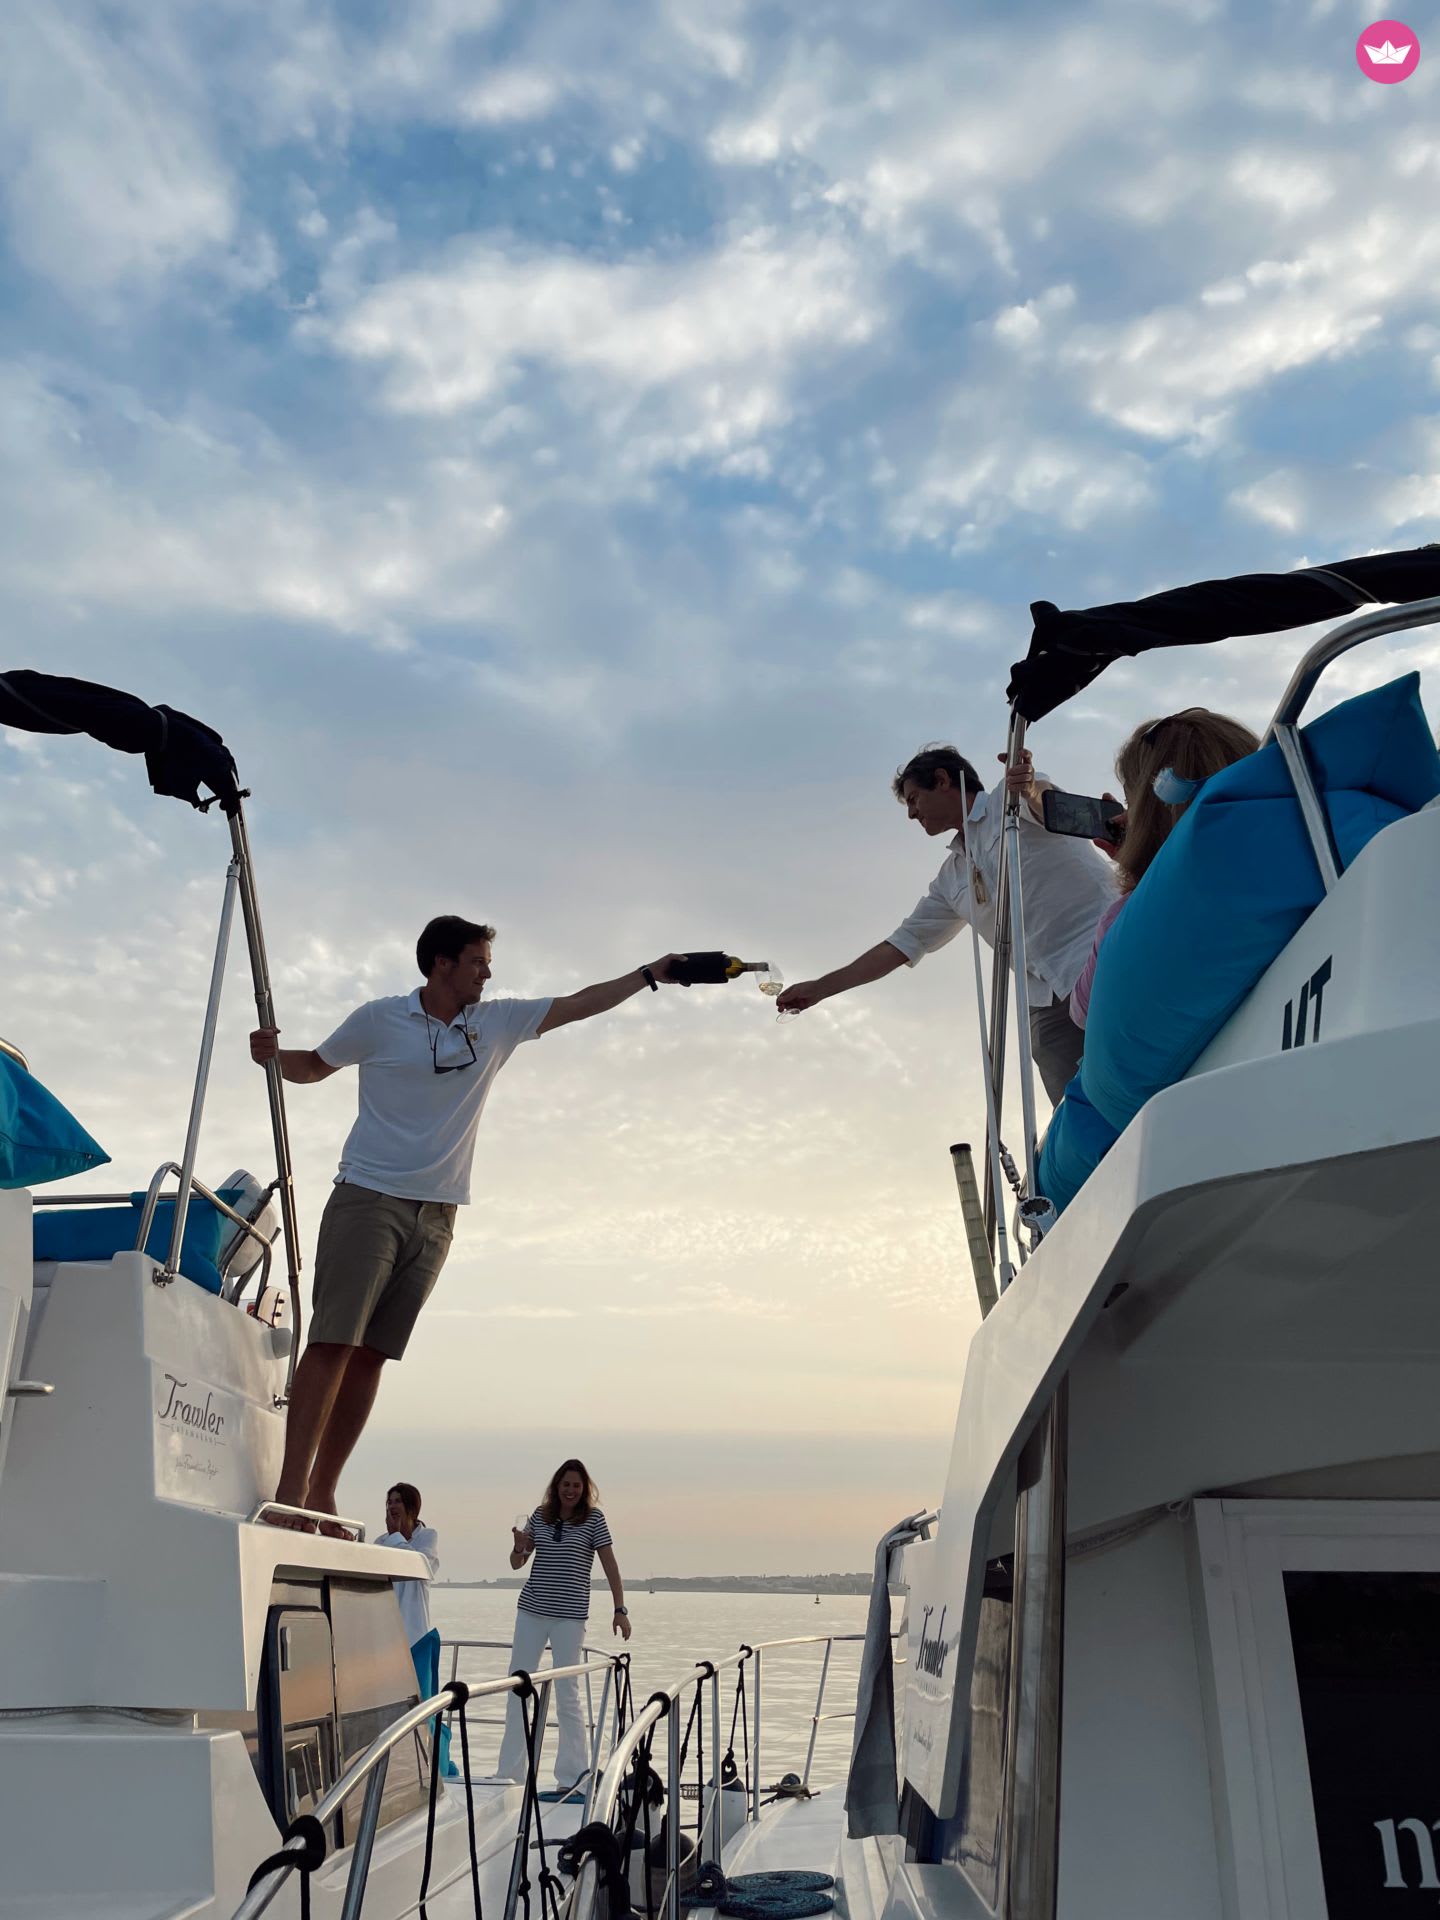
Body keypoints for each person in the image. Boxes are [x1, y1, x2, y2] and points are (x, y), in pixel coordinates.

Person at [250, 917, 687, 1533]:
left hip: (438, 1215)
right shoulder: (380, 1019)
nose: (488, 971)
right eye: (478, 961)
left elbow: (578, 1005)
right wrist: (273, 1056)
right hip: (368, 1198)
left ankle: (324, 1489)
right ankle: (291, 1491)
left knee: (373, 1355)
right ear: (441, 964)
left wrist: (649, 975)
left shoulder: (496, 1023)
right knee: (333, 1343)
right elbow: (316, 1066)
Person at [776, 744, 1117, 1102]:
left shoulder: (1009, 800)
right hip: (1044, 1003)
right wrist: (820, 988)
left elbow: (1044, 803)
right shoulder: (952, 879)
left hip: (1100, 952)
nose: (911, 814)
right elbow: (901, 944)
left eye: (913, 799)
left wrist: (1029, 785)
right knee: (1080, 1112)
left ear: (941, 781)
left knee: (1142, 1066)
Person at [1069, 708, 1259, 1029]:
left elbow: (1083, 1013)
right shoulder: (1320, 839)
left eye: (1131, 803)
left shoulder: (1133, 917)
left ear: (1148, 815)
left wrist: (1138, 873)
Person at [496, 1458, 630, 1793]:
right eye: (565, 1484)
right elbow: (517, 1562)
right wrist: (517, 1547)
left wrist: (620, 1608)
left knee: (568, 1693)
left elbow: (610, 1564)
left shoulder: (594, 1520)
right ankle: (510, 1774)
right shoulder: (540, 1516)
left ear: (584, 1489)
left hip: (570, 1617)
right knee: (518, 1687)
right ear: (557, 1486)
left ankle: (572, 1777)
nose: (570, 1490)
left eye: (576, 1485)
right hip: (532, 1611)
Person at [376, 1481, 457, 1777]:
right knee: (389, 1710)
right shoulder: (381, 1541)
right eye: (389, 1502)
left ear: (411, 1507)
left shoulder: (427, 1537)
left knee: (422, 1707)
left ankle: (434, 1764)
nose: (392, 1507)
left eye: (397, 1501)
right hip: (388, 1637)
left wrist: (396, 1536)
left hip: (417, 1635)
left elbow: (420, 1566)